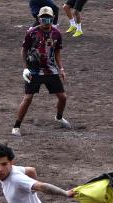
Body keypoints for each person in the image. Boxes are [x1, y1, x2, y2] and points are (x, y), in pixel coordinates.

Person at [12, 6, 71, 137]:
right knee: (27, 98)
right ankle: (16, 126)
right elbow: (24, 50)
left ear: (52, 19)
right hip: (34, 71)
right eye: (43, 19)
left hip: (51, 70)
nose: (46, 22)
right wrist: (25, 68)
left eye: (49, 19)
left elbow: (57, 52)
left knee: (63, 97)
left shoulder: (57, 34)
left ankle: (59, 117)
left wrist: (61, 68)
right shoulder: (31, 33)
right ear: (39, 19)